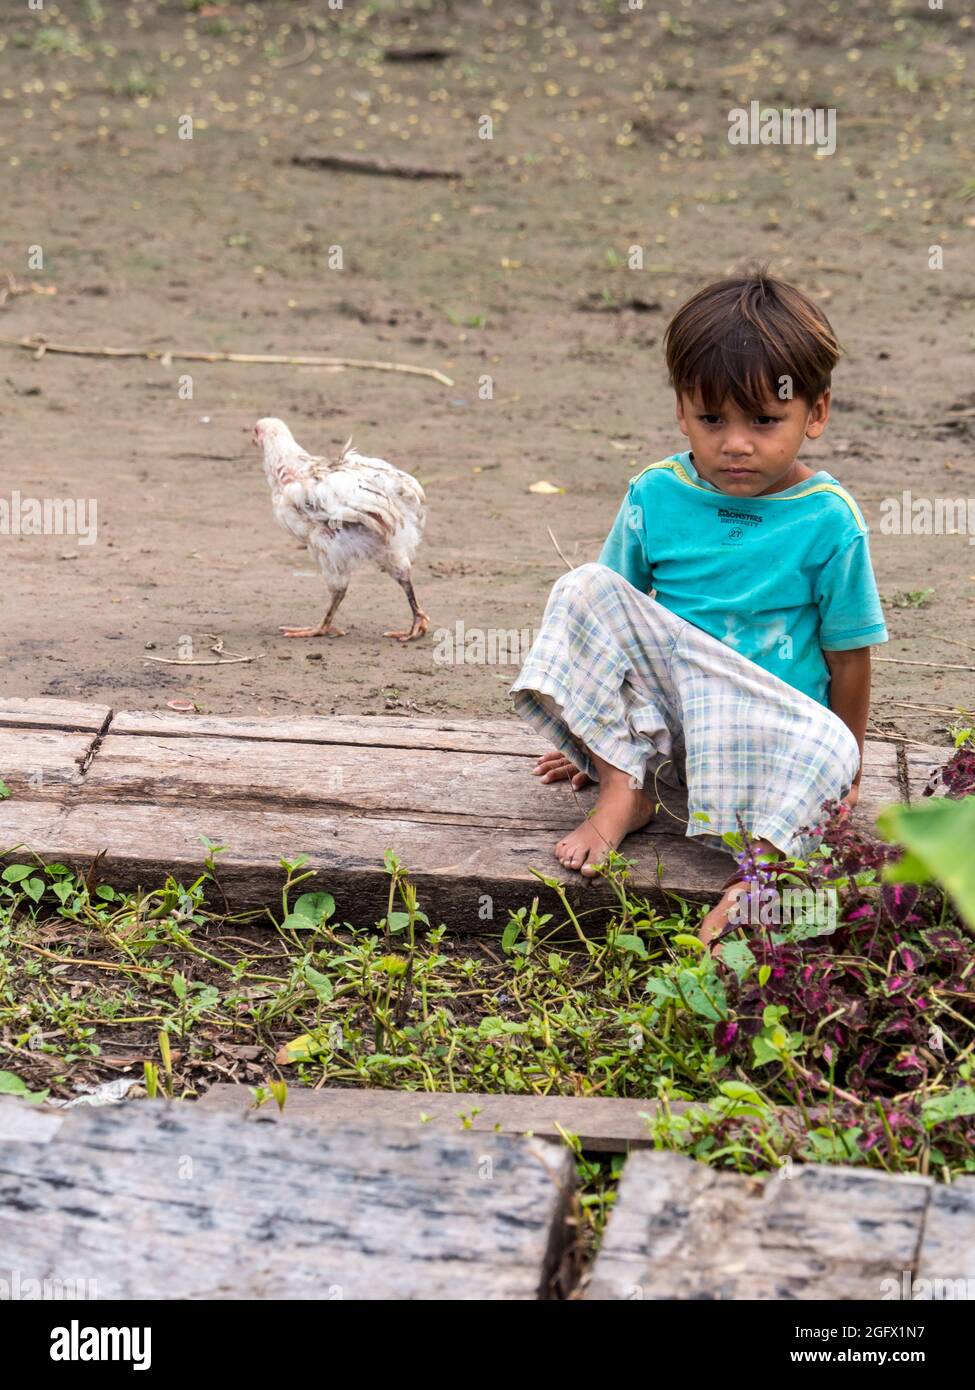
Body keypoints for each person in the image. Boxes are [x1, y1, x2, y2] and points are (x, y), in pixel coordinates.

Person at [509, 270, 888, 948]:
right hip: (673, 722)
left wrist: (848, 768)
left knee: (831, 744)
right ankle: (626, 784)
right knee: (582, 587)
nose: (735, 443)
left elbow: (847, 656)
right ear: (681, 411)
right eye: (711, 419)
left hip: (766, 732)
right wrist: (601, 733)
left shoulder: (829, 520)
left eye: (764, 421)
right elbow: (608, 627)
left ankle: (756, 876)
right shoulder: (655, 494)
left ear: (816, 413)